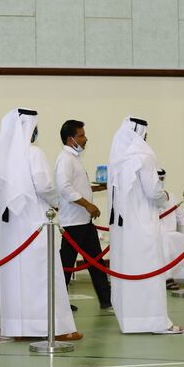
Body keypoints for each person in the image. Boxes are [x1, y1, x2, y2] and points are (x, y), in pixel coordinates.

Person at [0, 108, 81, 341]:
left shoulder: (3, 157)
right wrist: (57, 202)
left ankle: (20, 330)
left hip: (11, 229)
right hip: (35, 224)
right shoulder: (34, 153)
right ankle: (56, 329)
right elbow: (44, 186)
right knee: (43, 275)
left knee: (17, 278)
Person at [108, 117, 177, 333]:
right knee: (148, 270)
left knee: (128, 271)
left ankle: (130, 321)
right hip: (143, 224)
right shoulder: (144, 155)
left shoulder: (119, 157)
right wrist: (164, 196)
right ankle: (153, 321)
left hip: (123, 227)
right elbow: (153, 190)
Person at [54, 120, 112, 310]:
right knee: (66, 264)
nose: (85, 139)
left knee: (96, 262)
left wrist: (97, 187)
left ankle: (106, 300)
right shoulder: (65, 159)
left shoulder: (75, 158)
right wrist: (88, 205)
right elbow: (64, 187)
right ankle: (58, 303)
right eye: (81, 135)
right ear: (71, 139)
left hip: (84, 221)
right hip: (73, 221)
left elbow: (78, 185)